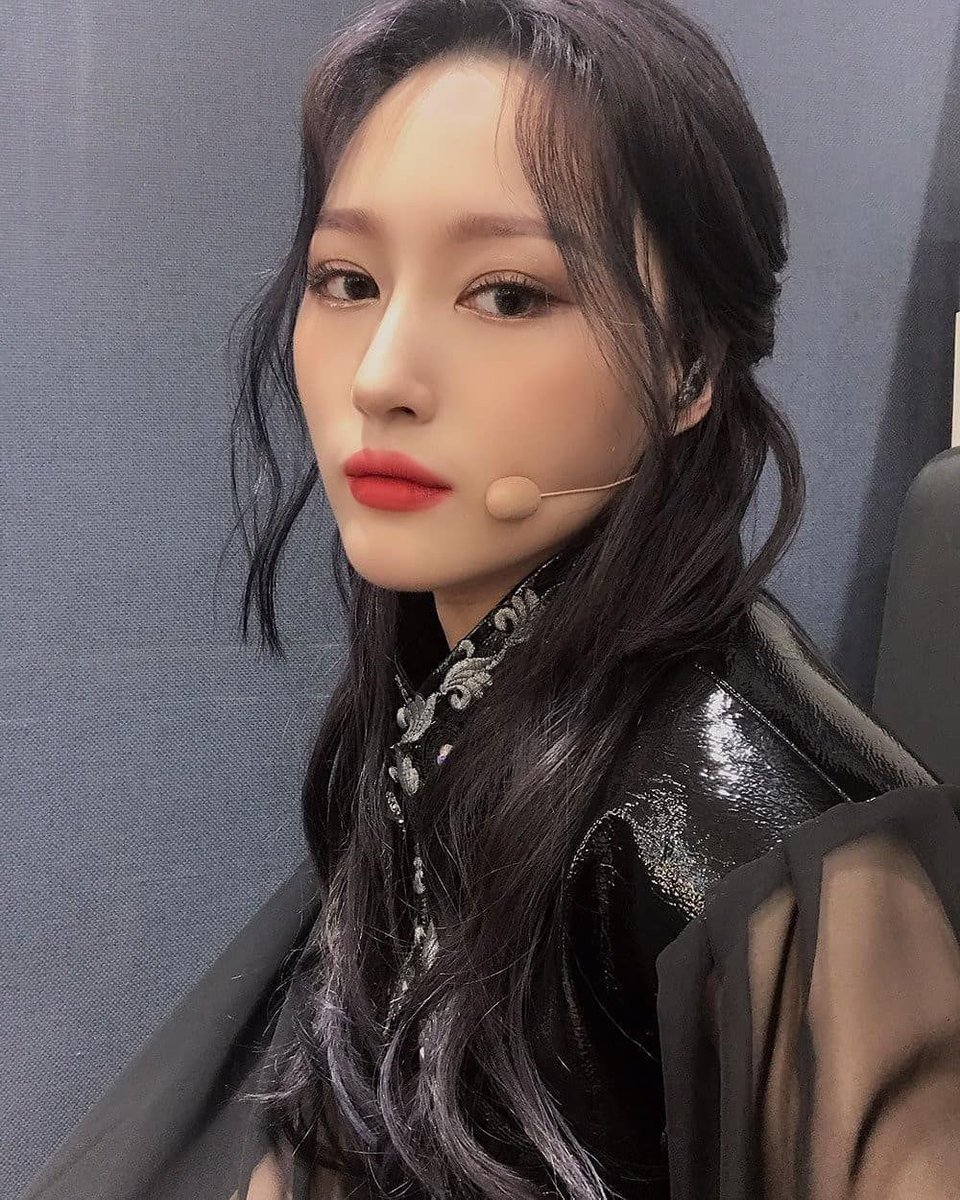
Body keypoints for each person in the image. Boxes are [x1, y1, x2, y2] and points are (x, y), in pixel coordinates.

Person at [18, 2, 953, 1199]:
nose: (382, 376)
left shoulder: (766, 855)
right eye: (346, 280)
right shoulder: (456, 688)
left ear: (690, 367)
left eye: (508, 295)